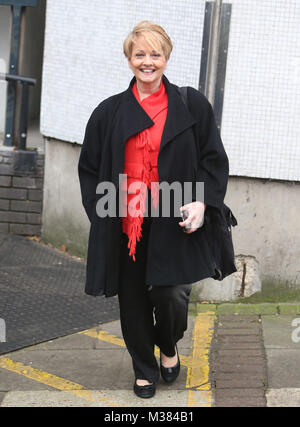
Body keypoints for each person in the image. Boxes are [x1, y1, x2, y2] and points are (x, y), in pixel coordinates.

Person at [78, 21, 230, 399]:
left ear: (166, 57)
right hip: (126, 220)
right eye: (139, 54)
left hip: (175, 221)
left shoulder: (190, 104)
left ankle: (168, 343)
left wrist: (202, 201)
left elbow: (213, 158)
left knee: (172, 295)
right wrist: (102, 215)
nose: (147, 62)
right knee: (132, 302)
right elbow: (90, 169)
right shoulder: (109, 112)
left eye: (155, 54)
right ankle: (144, 368)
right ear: (129, 60)